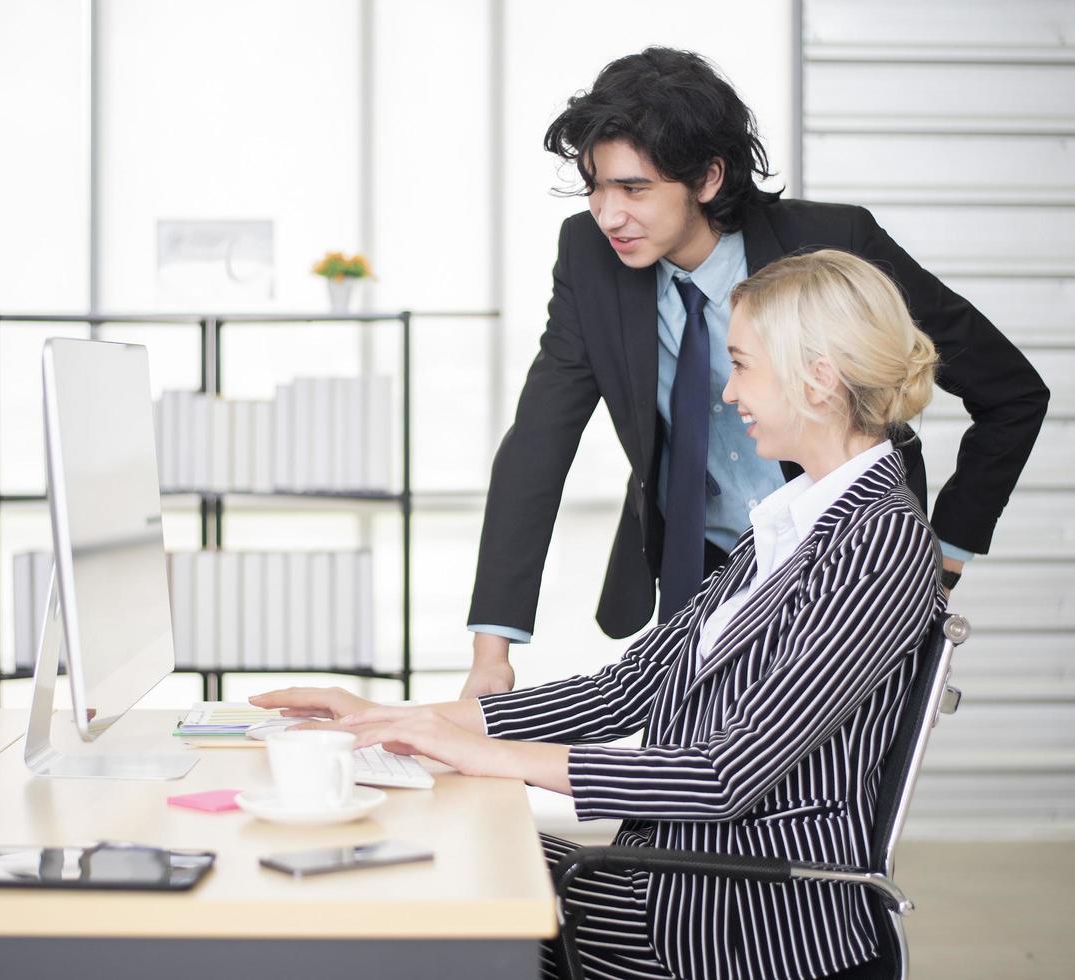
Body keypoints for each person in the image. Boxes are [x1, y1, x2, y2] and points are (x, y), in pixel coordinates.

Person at [254, 250, 949, 980]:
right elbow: (621, 693)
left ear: (817, 376)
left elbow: (722, 775)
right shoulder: (789, 526)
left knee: (421, 900)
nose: (726, 392)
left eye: (742, 364)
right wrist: (393, 721)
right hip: (673, 882)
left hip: (732, 923)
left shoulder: (879, 543)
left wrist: (485, 757)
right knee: (423, 866)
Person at [460, 47, 1048, 699]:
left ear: (707, 178)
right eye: (596, 186)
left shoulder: (835, 244)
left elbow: (1011, 393)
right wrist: (492, 656)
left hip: (841, 579)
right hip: (696, 583)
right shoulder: (588, 257)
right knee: (670, 779)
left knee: (794, 784)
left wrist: (946, 553)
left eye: (633, 188)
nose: (607, 214)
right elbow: (537, 446)